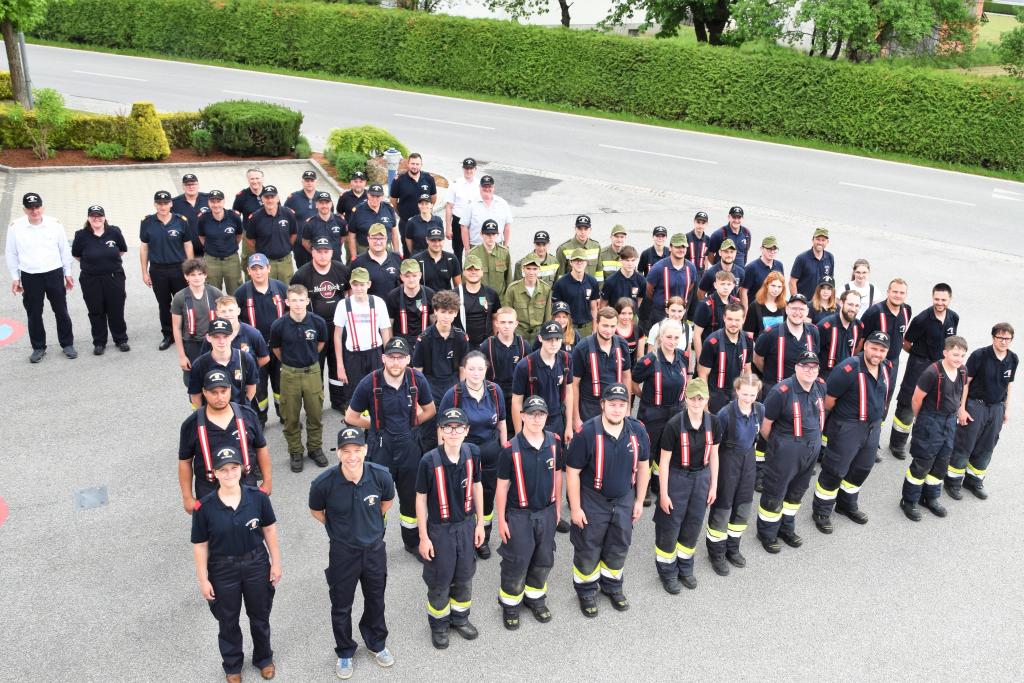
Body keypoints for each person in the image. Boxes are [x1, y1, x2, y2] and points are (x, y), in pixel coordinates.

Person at [309, 426, 396, 679]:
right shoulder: (323, 484)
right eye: (346, 451)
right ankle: (345, 651)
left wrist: (369, 526)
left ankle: (376, 643)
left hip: (374, 550)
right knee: (341, 605)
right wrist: (339, 529)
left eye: (357, 450)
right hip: (342, 553)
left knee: (376, 599)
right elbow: (316, 511)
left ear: (365, 450)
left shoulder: (381, 476)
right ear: (338, 453)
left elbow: (386, 502)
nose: (352, 456)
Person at [190, 446, 280, 683]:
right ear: (214, 473)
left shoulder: (258, 498)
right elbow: (200, 545)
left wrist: (276, 563)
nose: (229, 474)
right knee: (227, 620)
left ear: (241, 468)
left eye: (233, 468)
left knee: (260, 615)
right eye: (223, 470)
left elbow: (269, 530)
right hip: (222, 569)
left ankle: (264, 659)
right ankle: (232, 666)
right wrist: (203, 579)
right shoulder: (204, 507)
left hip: (256, 564)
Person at [566, 383, 650, 617]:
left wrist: (639, 500)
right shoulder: (586, 433)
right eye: (612, 404)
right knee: (588, 546)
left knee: (619, 544)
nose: (617, 409)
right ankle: (586, 591)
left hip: (624, 499)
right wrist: (576, 508)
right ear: (602, 404)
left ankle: (612, 586)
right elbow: (572, 472)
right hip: (593, 500)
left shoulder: (637, 430)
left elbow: (644, 466)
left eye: (622, 405)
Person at [345, 337, 435, 552]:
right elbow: (351, 416)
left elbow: (430, 410)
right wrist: (375, 426)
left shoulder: (417, 380)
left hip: (410, 449)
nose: (396, 362)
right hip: (380, 450)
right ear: (383, 358)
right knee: (376, 499)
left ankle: (412, 543)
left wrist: (413, 425)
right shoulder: (369, 383)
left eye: (400, 358)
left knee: (411, 498)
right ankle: (375, 544)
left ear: (408, 359)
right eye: (392, 357)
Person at [415, 407, 485, 649]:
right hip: (440, 530)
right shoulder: (428, 461)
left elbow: (477, 486)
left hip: (466, 526)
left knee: (464, 575)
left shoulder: (473, 454)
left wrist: (480, 523)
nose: (453, 432)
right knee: (439, 579)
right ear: (440, 431)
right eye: (448, 427)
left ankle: (460, 618)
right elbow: (420, 499)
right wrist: (423, 537)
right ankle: (439, 624)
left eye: (458, 428)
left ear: (466, 430)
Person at [811, 331, 893, 534]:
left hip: (872, 428)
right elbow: (829, 400)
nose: (877, 353)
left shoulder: (885, 367)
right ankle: (821, 511)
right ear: (865, 346)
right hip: (848, 427)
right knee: (835, 470)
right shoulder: (848, 369)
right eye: (874, 348)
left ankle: (846, 504)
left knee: (862, 468)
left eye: (882, 350)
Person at [495, 395, 562, 629]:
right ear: (522, 416)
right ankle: (510, 604)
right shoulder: (509, 449)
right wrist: (501, 520)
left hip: (547, 512)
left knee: (544, 558)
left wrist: (557, 508)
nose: (536, 419)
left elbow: (558, 476)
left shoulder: (554, 443)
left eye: (541, 414)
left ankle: (535, 598)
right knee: (517, 559)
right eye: (531, 414)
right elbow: (502, 487)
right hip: (519, 515)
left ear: (546, 417)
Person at [756, 351, 827, 553]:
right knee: (775, 491)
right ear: (796, 367)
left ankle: (786, 527)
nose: (809, 371)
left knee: (797, 491)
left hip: (811, 449)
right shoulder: (781, 391)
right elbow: (765, 425)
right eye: (805, 366)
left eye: (813, 367)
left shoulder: (820, 386)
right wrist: (779, 446)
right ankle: (767, 532)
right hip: (786, 450)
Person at [438, 352, 507, 558]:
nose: (476, 373)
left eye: (480, 369)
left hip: (490, 453)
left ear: (486, 369)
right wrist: (442, 455)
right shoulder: (453, 394)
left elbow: (502, 422)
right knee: (462, 496)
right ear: (464, 370)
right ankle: (463, 540)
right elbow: (441, 427)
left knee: (487, 496)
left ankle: (482, 538)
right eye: (471, 369)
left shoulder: (495, 391)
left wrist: (504, 449)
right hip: (463, 453)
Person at [654, 378, 718, 593]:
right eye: (692, 398)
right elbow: (663, 462)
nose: (696, 403)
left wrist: (713, 486)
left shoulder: (714, 423)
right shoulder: (674, 425)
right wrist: (664, 494)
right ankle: (667, 571)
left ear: (707, 399)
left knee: (693, 524)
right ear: (686, 398)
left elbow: (715, 456)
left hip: (702, 478)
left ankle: (685, 566)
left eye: (701, 398)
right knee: (670, 525)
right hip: (677, 478)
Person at [178, 368, 271, 508]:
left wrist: (267, 481)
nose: (220, 397)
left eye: (223, 391)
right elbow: (185, 461)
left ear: (230, 390)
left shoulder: (248, 415)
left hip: (247, 490)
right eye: (214, 393)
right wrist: (187, 497)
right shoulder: (191, 424)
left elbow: (261, 448)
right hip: (209, 495)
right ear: (204, 392)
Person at [899, 336, 969, 522]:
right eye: (955, 354)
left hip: (949, 422)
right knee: (922, 463)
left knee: (941, 463)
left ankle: (929, 497)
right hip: (931, 421)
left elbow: (963, 389)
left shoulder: (962, 370)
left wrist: (960, 409)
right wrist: (922, 420)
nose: (959, 359)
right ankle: (909, 500)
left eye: (962, 355)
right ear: (945, 352)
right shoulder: (931, 373)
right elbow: (916, 399)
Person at [946, 323, 1017, 500]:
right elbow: (965, 383)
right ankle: (952, 481)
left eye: (1007, 338)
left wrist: (1006, 409)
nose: (1003, 341)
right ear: (993, 338)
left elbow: (1009, 385)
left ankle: (974, 481)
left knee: (987, 446)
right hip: (976, 406)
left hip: (997, 408)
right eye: (1000, 337)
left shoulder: (1013, 359)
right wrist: (961, 409)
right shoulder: (979, 355)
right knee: (965, 444)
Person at [889, 283, 959, 460]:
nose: (940, 303)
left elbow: (951, 343)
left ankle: (918, 440)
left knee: (930, 403)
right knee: (908, 404)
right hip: (919, 366)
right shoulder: (922, 319)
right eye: (937, 299)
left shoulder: (953, 317)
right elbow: (906, 342)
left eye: (943, 300)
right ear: (932, 298)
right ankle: (897, 444)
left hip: (940, 367)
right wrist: (919, 356)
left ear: (950, 299)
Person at [706, 374, 763, 576]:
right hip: (728, 461)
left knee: (743, 507)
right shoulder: (725, 414)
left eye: (752, 395)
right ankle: (716, 553)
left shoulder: (760, 410)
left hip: (748, 460)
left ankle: (732, 547)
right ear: (737, 391)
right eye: (745, 394)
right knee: (723, 508)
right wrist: (713, 478)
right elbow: (714, 447)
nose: (748, 398)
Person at [269, 284, 329, 473]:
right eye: (293, 300)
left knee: (315, 414)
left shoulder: (318, 322)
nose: (297, 304)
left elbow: (321, 343)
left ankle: (315, 448)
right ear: (287, 302)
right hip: (289, 374)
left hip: (312, 372)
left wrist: (308, 358)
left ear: (307, 301)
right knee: (290, 416)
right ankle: (295, 451)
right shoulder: (279, 325)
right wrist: (290, 362)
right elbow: (276, 349)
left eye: (301, 300)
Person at [632, 318, 688, 508]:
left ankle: (658, 480)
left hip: (675, 412)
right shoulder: (649, 360)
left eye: (676, 338)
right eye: (668, 337)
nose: (672, 341)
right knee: (648, 451)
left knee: (666, 449)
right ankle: (643, 486)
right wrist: (645, 397)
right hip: (653, 413)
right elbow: (633, 382)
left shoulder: (683, 357)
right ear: (660, 337)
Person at [290, 238, 350, 410]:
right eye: (319, 251)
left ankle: (339, 401)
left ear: (332, 252)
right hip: (313, 328)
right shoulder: (302, 274)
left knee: (337, 362)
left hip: (338, 326)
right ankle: (316, 403)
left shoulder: (341, 269)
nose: (323, 255)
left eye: (326, 251)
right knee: (316, 365)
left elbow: (349, 291)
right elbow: (294, 301)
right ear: (312, 252)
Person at [414, 290, 471, 452]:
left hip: (452, 385)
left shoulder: (461, 337)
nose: (446, 316)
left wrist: (462, 392)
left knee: (453, 428)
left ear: (456, 313)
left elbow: (463, 368)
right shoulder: (424, 338)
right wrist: (418, 400)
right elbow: (417, 371)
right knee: (429, 432)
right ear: (435, 311)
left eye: (451, 313)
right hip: (429, 386)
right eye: (443, 312)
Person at [235, 255, 289, 424]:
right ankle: (260, 418)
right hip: (255, 350)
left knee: (282, 384)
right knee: (258, 385)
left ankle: (284, 414)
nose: (258, 272)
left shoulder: (281, 288)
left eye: (261, 268)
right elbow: (236, 321)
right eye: (254, 269)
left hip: (279, 347)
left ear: (269, 268)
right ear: (248, 271)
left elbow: (291, 313)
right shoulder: (241, 293)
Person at [71, 205, 129, 355]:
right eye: (93, 216)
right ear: (88, 218)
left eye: (99, 216)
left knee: (116, 309)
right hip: (91, 279)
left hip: (114, 277)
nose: (96, 219)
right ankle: (99, 342)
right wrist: (93, 264)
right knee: (96, 310)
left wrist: (108, 261)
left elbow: (122, 249)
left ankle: (120, 339)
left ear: (104, 217)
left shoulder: (114, 232)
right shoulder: (81, 235)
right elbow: (76, 254)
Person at [140, 189, 192, 350]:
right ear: (155, 205)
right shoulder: (147, 222)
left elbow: (187, 244)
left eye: (165, 203)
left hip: (178, 269)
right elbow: (144, 248)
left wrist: (190, 269)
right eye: (159, 203)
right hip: (158, 270)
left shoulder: (181, 221)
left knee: (183, 302)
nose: (162, 206)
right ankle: (168, 335)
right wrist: (144, 272)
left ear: (171, 204)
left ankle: (186, 333)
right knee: (164, 304)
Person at [333, 266, 391, 407]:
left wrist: (388, 358)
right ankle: (354, 419)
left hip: (375, 354)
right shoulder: (343, 304)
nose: (359, 288)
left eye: (362, 284)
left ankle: (376, 419)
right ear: (351, 284)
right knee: (354, 394)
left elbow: (385, 332)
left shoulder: (378, 302)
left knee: (377, 392)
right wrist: (340, 365)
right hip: (353, 356)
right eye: (355, 284)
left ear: (369, 284)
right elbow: (337, 336)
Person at [512, 321, 574, 443]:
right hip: (533, 421)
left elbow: (569, 392)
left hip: (557, 421)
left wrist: (569, 426)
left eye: (557, 339)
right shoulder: (525, 366)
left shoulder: (566, 360)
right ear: (540, 338)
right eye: (549, 339)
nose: (554, 343)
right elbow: (516, 402)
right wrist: (519, 436)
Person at [859, 278, 911, 421]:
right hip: (872, 363)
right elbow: (861, 340)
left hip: (893, 364)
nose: (898, 295)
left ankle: (878, 427)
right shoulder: (873, 313)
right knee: (866, 397)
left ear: (906, 294)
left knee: (885, 397)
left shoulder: (906, 310)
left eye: (902, 293)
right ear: (888, 292)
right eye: (895, 292)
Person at [572, 307, 633, 427]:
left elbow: (626, 377)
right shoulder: (582, 348)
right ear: (597, 323)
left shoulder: (622, 345)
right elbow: (574, 384)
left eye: (612, 326)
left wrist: (627, 409)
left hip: (615, 405)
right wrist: (576, 418)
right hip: (589, 408)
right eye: (605, 326)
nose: (609, 330)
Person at [753, 293, 820, 393]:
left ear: (807, 312)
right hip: (776, 391)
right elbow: (757, 359)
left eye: (801, 309)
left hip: (803, 391)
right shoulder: (771, 334)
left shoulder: (813, 331)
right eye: (794, 308)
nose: (797, 312)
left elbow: (815, 358)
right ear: (787, 309)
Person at [170, 259, 223, 385]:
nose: (197, 278)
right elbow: (176, 327)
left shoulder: (215, 293)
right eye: (192, 275)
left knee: (216, 379)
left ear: (205, 275)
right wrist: (182, 356)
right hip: (191, 344)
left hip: (213, 342)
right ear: (186, 276)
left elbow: (225, 319)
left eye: (200, 274)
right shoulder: (179, 297)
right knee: (193, 381)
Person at [187, 318, 259, 408]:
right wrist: (204, 414)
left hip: (239, 411)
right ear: (208, 338)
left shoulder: (245, 359)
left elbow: (252, 387)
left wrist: (243, 408)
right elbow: (195, 396)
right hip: (212, 412)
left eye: (225, 336)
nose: (221, 341)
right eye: (216, 337)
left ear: (232, 336)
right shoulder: (199, 365)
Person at [479, 308, 528, 432]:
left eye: (510, 322)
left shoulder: (524, 345)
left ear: (516, 323)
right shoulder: (486, 346)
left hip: (518, 394)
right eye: (503, 322)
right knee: (496, 431)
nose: (507, 326)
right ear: (496, 323)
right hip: (494, 394)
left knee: (517, 430)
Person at [697, 303, 751, 413]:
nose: (733, 324)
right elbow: (702, 374)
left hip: (737, 394)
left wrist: (747, 396)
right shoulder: (712, 342)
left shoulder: (748, 340)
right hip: (716, 395)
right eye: (730, 319)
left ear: (743, 320)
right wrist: (705, 404)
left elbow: (747, 370)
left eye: (737, 320)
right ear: (724, 318)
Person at [644, 233, 697, 331]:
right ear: (670, 248)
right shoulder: (658, 268)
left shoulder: (691, 268)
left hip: (680, 315)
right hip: (660, 315)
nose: (681, 250)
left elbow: (690, 288)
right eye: (677, 247)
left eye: (683, 247)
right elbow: (648, 291)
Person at [246, 186, 298, 283]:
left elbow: (294, 234)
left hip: (285, 262)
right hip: (265, 263)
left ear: (277, 198)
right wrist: (260, 252)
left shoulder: (288, 214)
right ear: (262, 199)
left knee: (286, 289)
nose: (270, 200)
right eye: (266, 197)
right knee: (266, 288)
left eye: (272, 197)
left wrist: (286, 247)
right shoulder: (255, 217)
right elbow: (249, 239)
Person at [197, 190, 244, 294]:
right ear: (208, 203)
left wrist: (230, 247)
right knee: (212, 292)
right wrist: (212, 248)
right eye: (212, 202)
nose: (216, 205)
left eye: (218, 201)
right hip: (211, 261)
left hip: (231, 260)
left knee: (235, 291)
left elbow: (239, 235)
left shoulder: (234, 217)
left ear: (223, 202)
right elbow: (201, 236)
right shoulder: (203, 218)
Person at [390, 153, 437, 255]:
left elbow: (433, 197)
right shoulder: (399, 180)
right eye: (412, 164)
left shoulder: (429, 179)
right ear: (408, 164)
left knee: (428, 249)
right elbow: (393, 200)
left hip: (425, 222)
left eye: (417, 164)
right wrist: (400, 213)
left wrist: (428, 210)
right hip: (406, 222)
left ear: (421, 165)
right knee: (408, 252)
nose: (415, 166)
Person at [503, 255, 552, 344]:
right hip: (518, 334)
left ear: (539, 269)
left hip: (538, 334)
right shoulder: (513, 289)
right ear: (523, 269)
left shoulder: (546, 289)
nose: (531, 272)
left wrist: (545, 336)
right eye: (528, 268)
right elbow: (506, 314)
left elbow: (548, 316)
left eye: (534, 269)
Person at [692, 270, 740, 361]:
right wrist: (700, 360)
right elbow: (697, 335)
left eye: (729, 284)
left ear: (733, 286)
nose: (725, 287)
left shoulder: (736, 303)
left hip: (730, 353)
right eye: (722, 284)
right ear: (715, 285)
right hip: (710, 353)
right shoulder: (705, 305)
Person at [455, 255, 501, 348]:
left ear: (482, 272)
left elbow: (496, 319)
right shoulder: (454, 294)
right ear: (463, 272)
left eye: (476, 269)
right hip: (462, 345)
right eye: (469, 269)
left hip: (486, 345)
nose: (473, 272)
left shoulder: (491, 293)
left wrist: (496, 342)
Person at [552, 248, 600, 338]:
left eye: (582, 260)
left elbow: (594, 308)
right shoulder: (560, 283)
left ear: (586, 262)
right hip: (569, 328)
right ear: (571, 262)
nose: (579, 263)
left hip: (587, 328)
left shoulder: (592, 281)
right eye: (576, 260)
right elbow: (556, 311)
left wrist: (594, 329)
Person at [386, 259, 435, 347]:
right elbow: (389, 325)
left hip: (425, 341)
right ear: (401, 277)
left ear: (420, 275)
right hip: (401, 343)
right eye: (407, 276)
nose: (411, 279)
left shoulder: (430, 294)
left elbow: (434, 321)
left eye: (414, 275)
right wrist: (390, 347)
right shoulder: (393, 296)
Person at [816, 288, 861, 380]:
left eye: (857, 305)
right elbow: (814, 351)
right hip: (826, 376)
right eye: (850, 304)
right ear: (841, 303)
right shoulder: (825, 326)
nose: (853, 309)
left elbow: (855, 350)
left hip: (847, 374)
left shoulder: (858, 326)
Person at [462, 174, 512, 250]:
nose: (487, 189)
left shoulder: (503, 203)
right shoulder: (471, 204)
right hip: (476, 247)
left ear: (493, 187)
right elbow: (464, 227)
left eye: (489, 186)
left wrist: (505, 246)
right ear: (479, 187)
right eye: (484, 186)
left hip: (497, 246)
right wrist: (467, 249)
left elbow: (507, 226)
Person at [348, 184, 400, 256]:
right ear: (368, 195)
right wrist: (354, 257)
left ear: (382, 196)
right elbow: (352, 236)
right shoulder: (357, 211)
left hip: (386, 249)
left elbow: (394, 232)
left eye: (378, 196)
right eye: (372, 196)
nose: (375, 199)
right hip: (365, 250)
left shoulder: (389, 208)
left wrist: (396, 253)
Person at [351, 224, 402, 297]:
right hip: (369, 304)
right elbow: (352, 290)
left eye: (381, 238)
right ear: (368, 239)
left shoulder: (397, 259)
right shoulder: (358, 262)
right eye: (374, 238)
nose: (378, 242)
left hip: (393, 304)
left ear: (386, 239)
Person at [445, 157, 479, 263]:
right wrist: (448, 228)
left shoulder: (480, 185)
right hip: (458, 221)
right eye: (466, 168)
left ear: (475, 169)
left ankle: (472, 273)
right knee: (457, 252)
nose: (468, 171)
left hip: (474, 222)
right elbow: (449, 207)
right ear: (463, 169)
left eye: (471, 168)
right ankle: (458, 273)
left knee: (474, 251)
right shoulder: (455, 184)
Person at [467, 219, 512, 297]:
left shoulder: (504, 253)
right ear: (481, 234)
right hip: (480, 298)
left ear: (498, 235)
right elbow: (467, 278)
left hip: (500, 299)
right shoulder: (473, 254)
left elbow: (509, 278)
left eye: (493, 234)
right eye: (487, 234)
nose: (491, 237)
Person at [285, 169, 321, 268]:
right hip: (299, 243)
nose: (309, 183)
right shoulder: (293, 198)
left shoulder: (322, 198)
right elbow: (285, 217)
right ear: (302, 182)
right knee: (302, 270)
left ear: (316, 182)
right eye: (307, 180)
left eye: (312, 180)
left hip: (318, 242)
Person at [300, 190, 347, 265]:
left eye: (327, 203)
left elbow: (342, 238)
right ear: (316, 205)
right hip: (317, 263)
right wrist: (316, 253)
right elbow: (305, 243)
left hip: (336, 261)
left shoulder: (340, 221)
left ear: (331, 204)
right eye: (321, 203)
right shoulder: (310, 224)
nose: (324, 206)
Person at [739, 236, 785, 311]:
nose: (772, 252)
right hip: (755, 309)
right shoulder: (751, 267)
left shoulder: (779, 265)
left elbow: (781, 287)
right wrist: (746, 311)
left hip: (773, 308)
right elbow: (743, 291)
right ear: (761, 249)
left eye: (774, 249)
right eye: (769, 249)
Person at [789, 228, 835, 300]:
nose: (820, 242)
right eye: (818, 239)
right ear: (813, 240)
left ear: (827, 242)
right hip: (804, 301)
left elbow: (830, 282)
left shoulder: (830, 257)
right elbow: (792, 282)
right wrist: (797, 300)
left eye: (823, 240)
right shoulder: (802, 258)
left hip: (820, 302)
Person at [233, 168, 264, 270]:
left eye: (257, 178)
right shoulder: (241, 196)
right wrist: (240, 233)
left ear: (262, 179)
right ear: (248, 180)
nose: (255, 181)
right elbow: (235, 216)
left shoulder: (270, 194)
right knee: (249, 263)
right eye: (252, 179)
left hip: (267, 234)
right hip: (249, 235)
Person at [171, 173, 209, 258]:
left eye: (193, 184)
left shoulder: (209, 199)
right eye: (187, 185)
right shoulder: (174, 203)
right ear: (183, 186)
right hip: (184, 251)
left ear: (198, 185)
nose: (191, 187)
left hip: (207, 249)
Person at [414, 226, 461, 291]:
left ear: (444, 240)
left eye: (439, 240)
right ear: (427, 240)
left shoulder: (452, 259)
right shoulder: (417, 260)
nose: (437, 244)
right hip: (426, 296)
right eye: (433, 240)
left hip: (446, 296)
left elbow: (458, 287)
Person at [744, 270, 786, 341]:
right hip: (760, 345)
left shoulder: (785, 306)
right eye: (773, 285)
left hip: (781, 345)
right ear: (766, 285)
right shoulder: (754, 306)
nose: (776, 289)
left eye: (779, 287)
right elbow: (749, 333)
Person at [555, 215, 601, 279]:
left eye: (586, 229)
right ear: (575, 229)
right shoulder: (564, 249)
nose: (583, 232)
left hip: (591, 285)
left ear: (590, 230)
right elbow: (560, 275)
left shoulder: (596, 247)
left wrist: (599, 285)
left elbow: (599, 272)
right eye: (580, 229)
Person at [600, 246, 644, 311]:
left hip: (632, 315)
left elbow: (639, 300)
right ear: (620, 260)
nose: (630, 264)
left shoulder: (642, 281)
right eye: (627, 260)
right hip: (615, 315)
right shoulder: (610, 281)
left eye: (633, 260)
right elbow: (603, 305)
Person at [613, 298, 641, 364]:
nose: (627, 317)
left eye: (630, 313)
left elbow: (640, 357)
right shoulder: (611, 330)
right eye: (623, 313)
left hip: (632, 368)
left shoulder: (638, 330)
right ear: (617, 313)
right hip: (613, 368)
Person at [685, 212, 711, 279]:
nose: (700, 225)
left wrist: (706, 272)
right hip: (687, 273)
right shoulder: (686, 237)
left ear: (707, 224)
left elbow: (706, 258)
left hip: (701, 274)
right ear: (694, 222)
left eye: (703, 223)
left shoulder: (707, 239)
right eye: (698, 222)